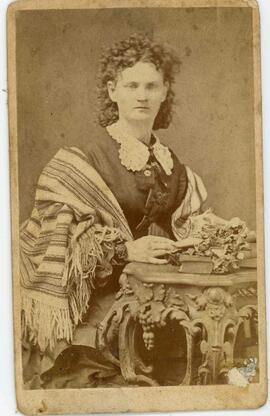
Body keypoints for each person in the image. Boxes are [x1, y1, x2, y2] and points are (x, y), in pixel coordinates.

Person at [20, 34, 207, 388]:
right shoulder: (82, 162)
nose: (142, 95)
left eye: (151, 86)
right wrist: (126, 250)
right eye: (131, 84)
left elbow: (185, 228)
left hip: (159, 304)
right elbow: (63, 247)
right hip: (96, 310)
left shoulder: (174, 168)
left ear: (165, 91)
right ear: (112, 90)